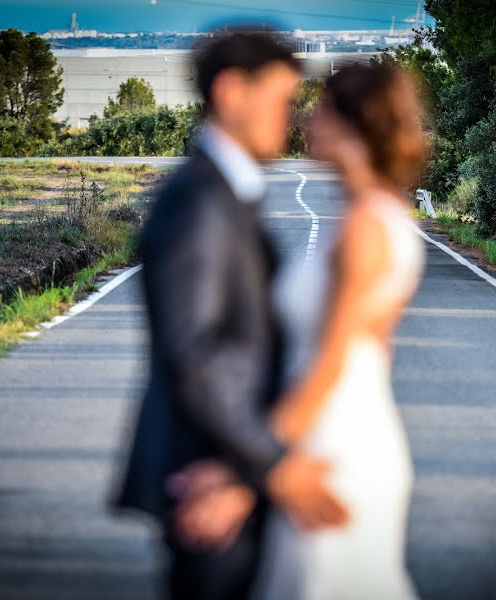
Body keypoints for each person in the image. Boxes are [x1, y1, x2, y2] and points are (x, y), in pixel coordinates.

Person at [175, 63, 428, 599]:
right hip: (339, 429)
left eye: (321, 109)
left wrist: (248, 474)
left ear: (351, 124)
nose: (305, 120)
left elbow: (331, 363)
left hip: (333, 445)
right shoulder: (371, 217)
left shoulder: (365, 230)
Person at [115, 31, 348, 600]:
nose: (290, 118)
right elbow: (196, 352)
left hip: (230, 464)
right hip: (204, 473)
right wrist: (271, 466)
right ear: (230, 91)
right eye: (279, 98)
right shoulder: (198, 201)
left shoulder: (226, 193)